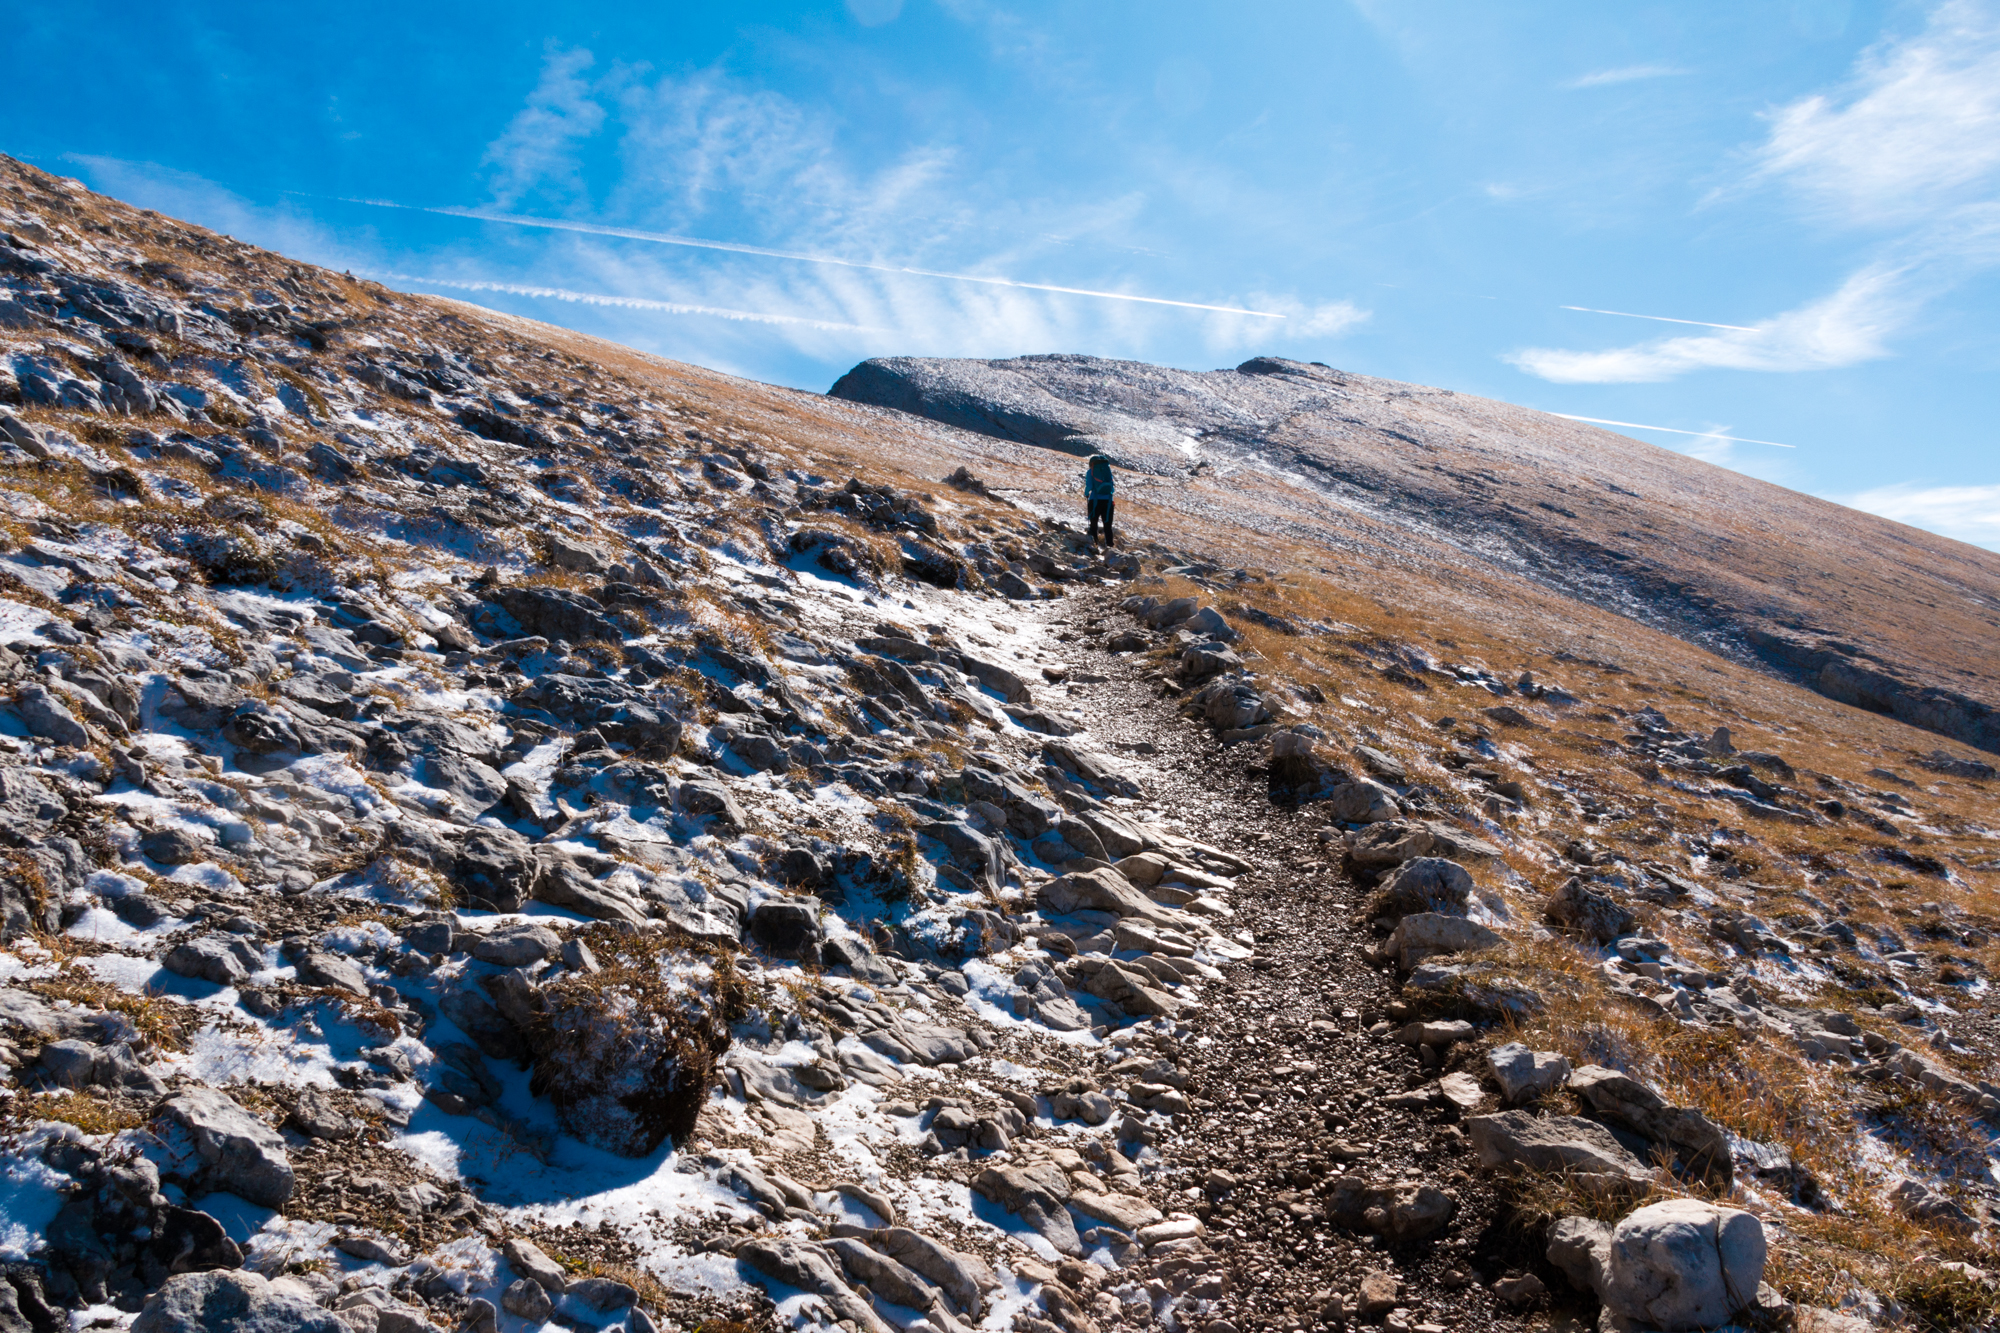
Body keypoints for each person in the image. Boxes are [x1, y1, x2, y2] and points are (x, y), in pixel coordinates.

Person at [1083, 454, 1115, 546]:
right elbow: (1112, 488)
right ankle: (1110, 546)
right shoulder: (1107, 472)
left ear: (1091, 464)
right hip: (1108, 501)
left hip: (1095, 500)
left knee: (1093, 524)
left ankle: (1094, 544)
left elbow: (1089, 486)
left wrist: (1086, 494)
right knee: (1108, 526)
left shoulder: (1090, 472)